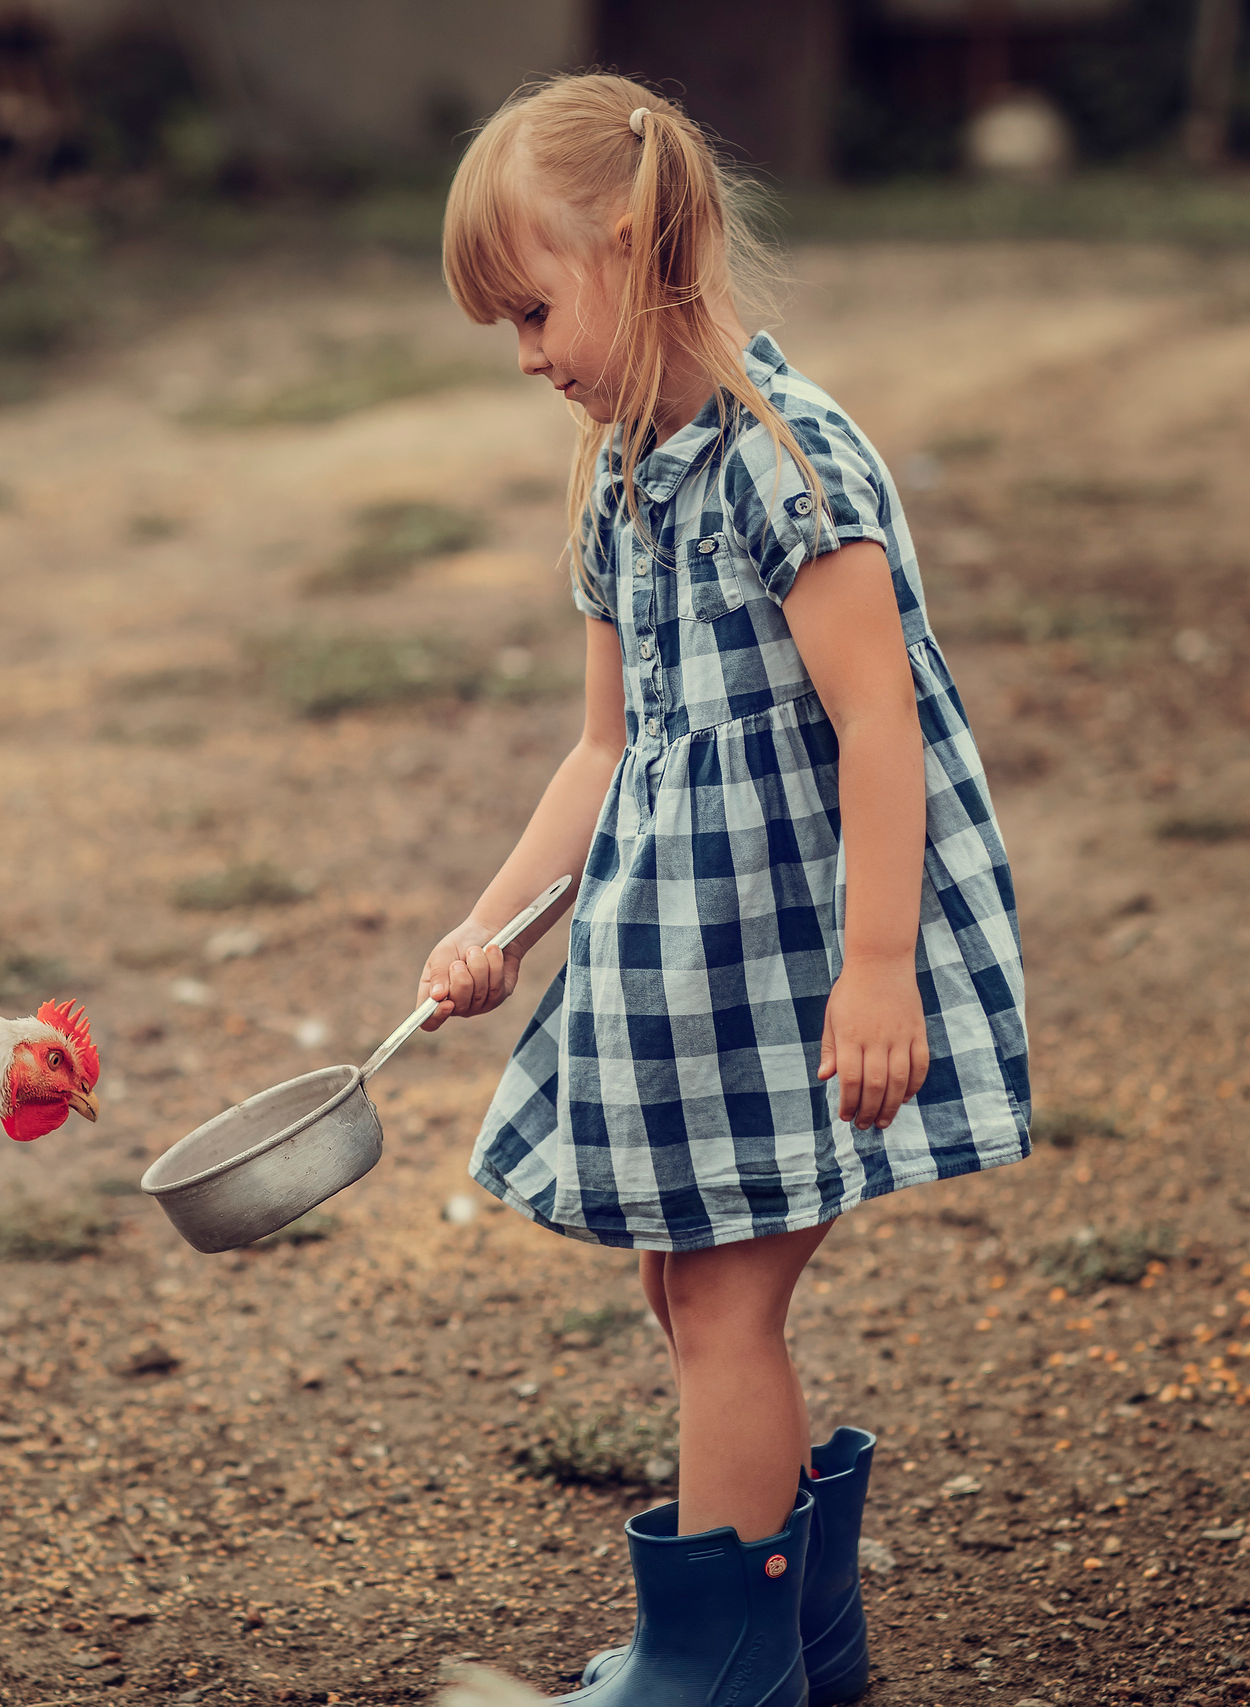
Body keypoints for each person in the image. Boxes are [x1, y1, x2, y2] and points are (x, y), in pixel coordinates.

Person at [417, 73, 1033, 1707]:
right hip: (680, 963)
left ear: (631, 248)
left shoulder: (790, 461)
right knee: (681, 1281)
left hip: (798, 962)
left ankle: (721, 1664)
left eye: (537, 310)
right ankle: (798, 1642)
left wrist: (881, 968)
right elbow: (604, 749)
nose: (530, 356)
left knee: (725, 1303)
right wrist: (491, 924)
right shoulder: (624, 479)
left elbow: (879, 725)